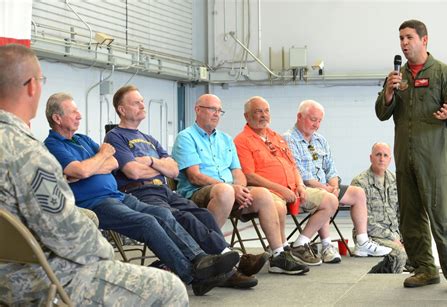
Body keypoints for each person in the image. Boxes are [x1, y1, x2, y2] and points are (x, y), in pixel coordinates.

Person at [0, 44, 187, 305]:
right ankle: (189, 273)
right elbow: (70, 237)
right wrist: (107, 254)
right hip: (34, 281)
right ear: (32, 86)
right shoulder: (28, 152)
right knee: (170, 288)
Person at [43, 92, 239, 296]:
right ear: (57, 118)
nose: (79, 115)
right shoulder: (53, 145)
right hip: (95, 203)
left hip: (118, 196)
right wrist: (98, 159)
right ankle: (192, 275)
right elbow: (82, 170)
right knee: (147, 222)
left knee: (163, 214)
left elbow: (113, 163)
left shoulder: (82, 139)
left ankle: (199, 259)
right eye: (73, 112)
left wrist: (94, 165)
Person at [104, 85, 267, 288]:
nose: (142, 106)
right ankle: (229, 266)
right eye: (136, 103)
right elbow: (133, 172)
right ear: (121, 109)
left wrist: (150, 162)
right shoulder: (116, 136)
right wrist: (160, 167)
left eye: (142, 101)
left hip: (163, 191)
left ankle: (222, 264)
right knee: (183, 218)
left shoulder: (149, 139)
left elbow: (172, 170)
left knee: (203, 216)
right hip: (139, 192)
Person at [375, 19, 447, 292]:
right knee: (411, 217)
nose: (404, 43)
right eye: (400, 38)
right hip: (405, 160)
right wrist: (389, 92)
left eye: (409, 38)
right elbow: (382, 112)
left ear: (424, 40)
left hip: (434, 161)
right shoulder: (396, 77)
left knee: (443, 215)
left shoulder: (443, 73)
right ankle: (424, 269)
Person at [173, 94, 309, 275]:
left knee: (262, 194)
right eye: (212, 109)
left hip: (230, 191)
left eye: (219, 110)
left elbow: (238, 172)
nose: (216, 114)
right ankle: (209, 252)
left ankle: (278, 255)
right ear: (198, 110)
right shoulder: (186, 137)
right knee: (224, 191)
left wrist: (241, 189)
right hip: (198, 192)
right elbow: (195, 176)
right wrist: (231, 189)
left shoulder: (225, 139)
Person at [234, 96, 341, 268]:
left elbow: (293, 166)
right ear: (247, 116)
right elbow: (249, 176)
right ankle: (281, 252)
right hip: (267, 192)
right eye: (258, 111)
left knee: (330, 200)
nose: (263, 115)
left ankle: (300, 243)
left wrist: (299, 185)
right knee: (278, 206)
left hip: (293, 188)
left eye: (266, 111)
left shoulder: (276, 137)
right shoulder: (242, 141)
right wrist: (280, 189)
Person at [283, 99, 392, 258]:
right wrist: (327, 189)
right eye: (313, 119)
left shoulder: (320, 140)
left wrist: (333, 186)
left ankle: (362, 242)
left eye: (320, 121)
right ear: (299, 116)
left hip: (326, 187)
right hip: (304, 189)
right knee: (327, 198)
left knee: (358, 193)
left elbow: (331, 169)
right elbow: (300, 174)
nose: (317, 124)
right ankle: (326, 245)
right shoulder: (288, 139)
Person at [351, 142, 407, 273]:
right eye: (378, 155)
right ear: (371, 158)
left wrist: (404, 237)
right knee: (399, 253)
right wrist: (393, 238)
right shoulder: (360, 182)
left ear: (390, 159)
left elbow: (401, 213)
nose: (382, 159)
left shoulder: (396, 180)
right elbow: (366, 221)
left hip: (395, 234)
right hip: (371, 236)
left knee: (417, 249)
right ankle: (390, 283)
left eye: (385, 155)